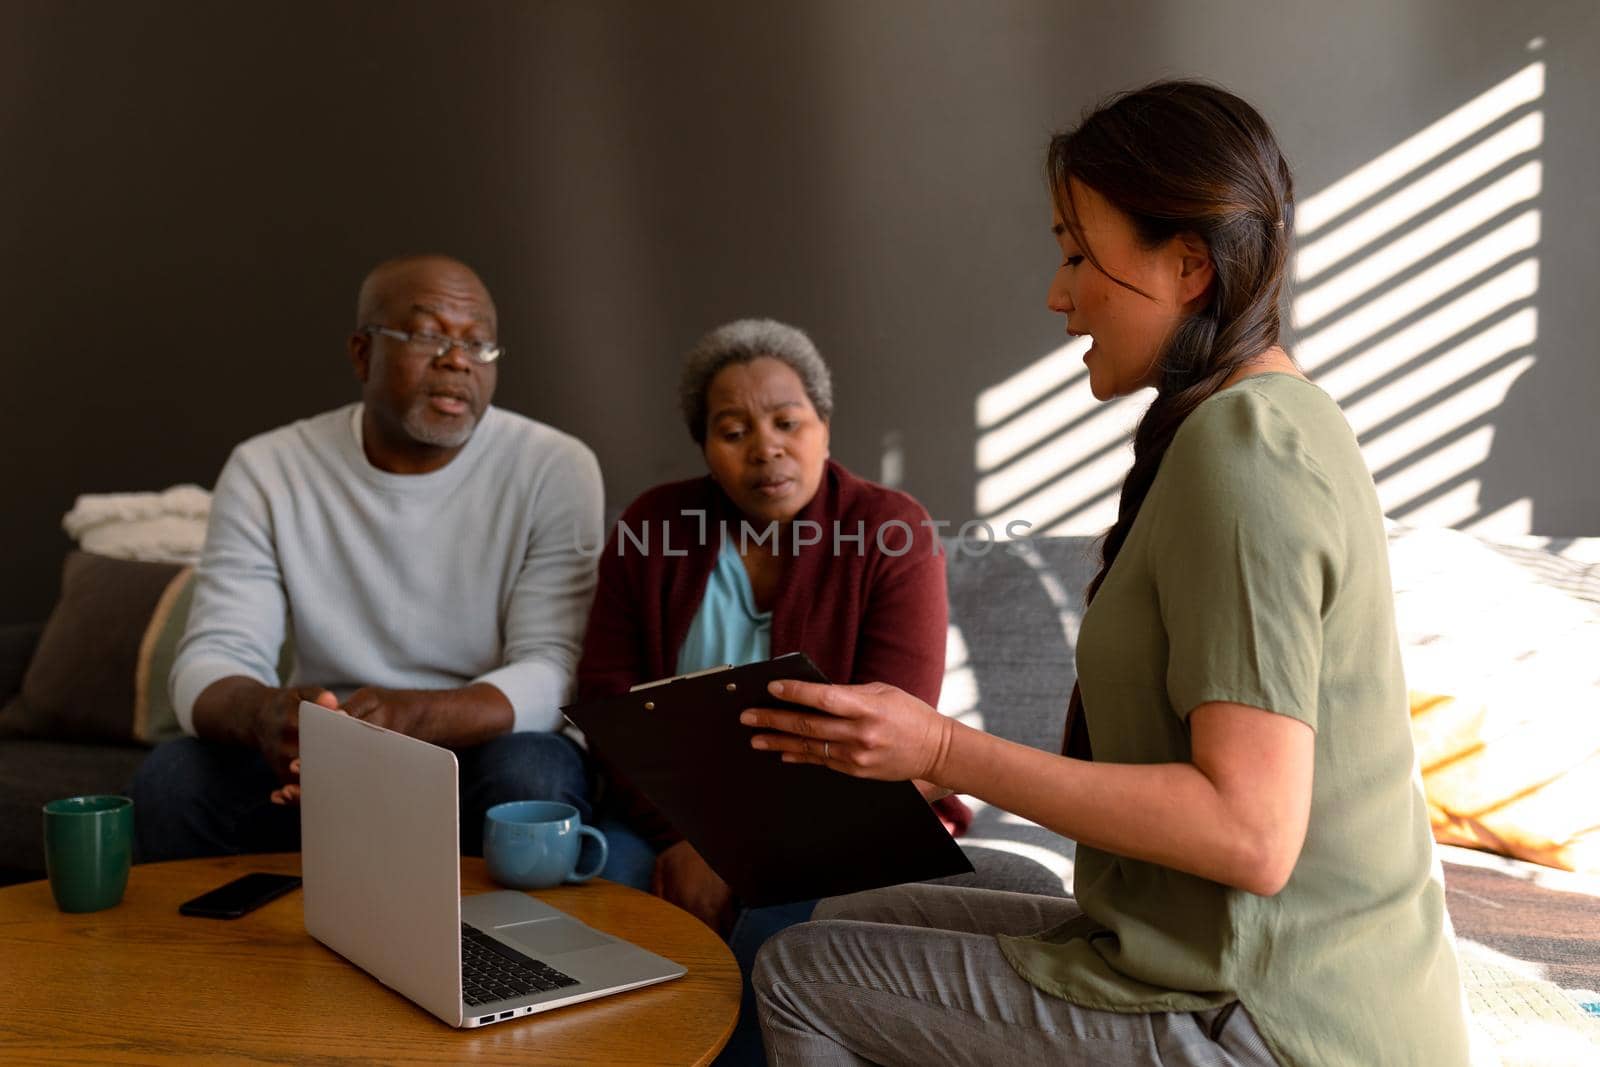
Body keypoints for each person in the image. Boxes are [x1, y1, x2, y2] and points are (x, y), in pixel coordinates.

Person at [744, 83, 1472, 1067]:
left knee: (799, 970)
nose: (1058, 289)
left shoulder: (1246, 454)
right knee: (859, 906)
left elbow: (1251, 831)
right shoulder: (1266, 420)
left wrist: (945, 747)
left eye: (1078, 252)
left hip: (1276, 1018)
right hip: (1223, 963)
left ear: (1186, 266)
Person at [576, 318, 1061, 1065]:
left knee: (777, 937)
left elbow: (890, 733)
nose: (764, 446)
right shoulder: (652, 526)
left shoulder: (891, 531)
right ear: (705, 447)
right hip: (664, 813)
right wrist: (682, 836)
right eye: (732, 429)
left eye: (786, 421)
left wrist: (732, 852)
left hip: (837, 820)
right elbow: (610, 699)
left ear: (824, 428)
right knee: (600, 906)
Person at [131, 254, 604, 862]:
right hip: (327, 745)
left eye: (479, 344)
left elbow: (553, 665)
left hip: (477, 744)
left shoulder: (553, 467)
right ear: (362, 354)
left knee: (533, 777)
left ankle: (492, 958)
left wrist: (421, 718)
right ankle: (213, 956)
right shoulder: (268, 468)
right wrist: (267, 716)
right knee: (173, 782)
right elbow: (214, 655)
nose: (457, 360)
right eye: (428, 335)